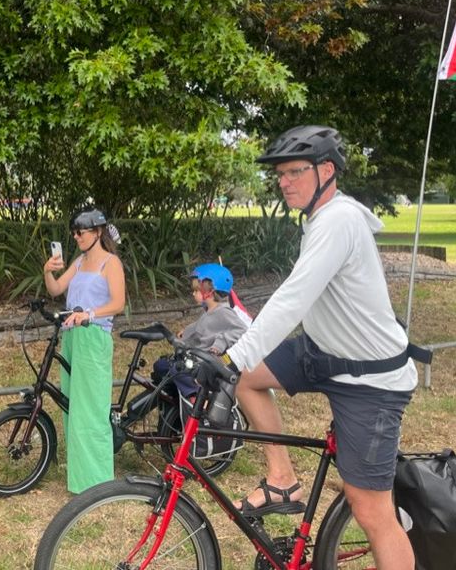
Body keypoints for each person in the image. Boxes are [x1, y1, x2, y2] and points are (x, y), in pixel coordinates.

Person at [219, 125, 427, 570]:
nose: (284, 181)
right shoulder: (321, 219)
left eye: (295, 171)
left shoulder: (339, 220)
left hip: (370, 379)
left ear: (327, 170)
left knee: (371, 510)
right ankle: (282, 479)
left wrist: (233, 354)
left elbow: (292, 297)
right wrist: (238, 362)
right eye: (280, 174)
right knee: (247, 378)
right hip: (325, 354)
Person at [43, 207, 126, 493]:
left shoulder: (110, 263)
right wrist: (48, 272)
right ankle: (80, 472)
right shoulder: (78, 262)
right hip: (72, 336)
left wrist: (89, 314)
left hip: (93, 337)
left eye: (82, 231)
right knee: (72, 404)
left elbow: (118, 304)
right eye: (74, 232)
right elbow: (56, 291)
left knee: (90, 408)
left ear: (98, 232)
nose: (76, 236)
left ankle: (97, 480)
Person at [152, 263, 250, 399]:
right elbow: (202, 326)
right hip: (194, 358)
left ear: (210, 292)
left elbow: (242, 330)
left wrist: (220, 343)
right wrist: (185, 332)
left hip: (205, 363)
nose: (193, 293)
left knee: (178, 371)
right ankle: (175, 401)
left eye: (196, 290)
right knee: (161, 366)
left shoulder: (224, 312)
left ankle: (197, 399)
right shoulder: (210, 312)